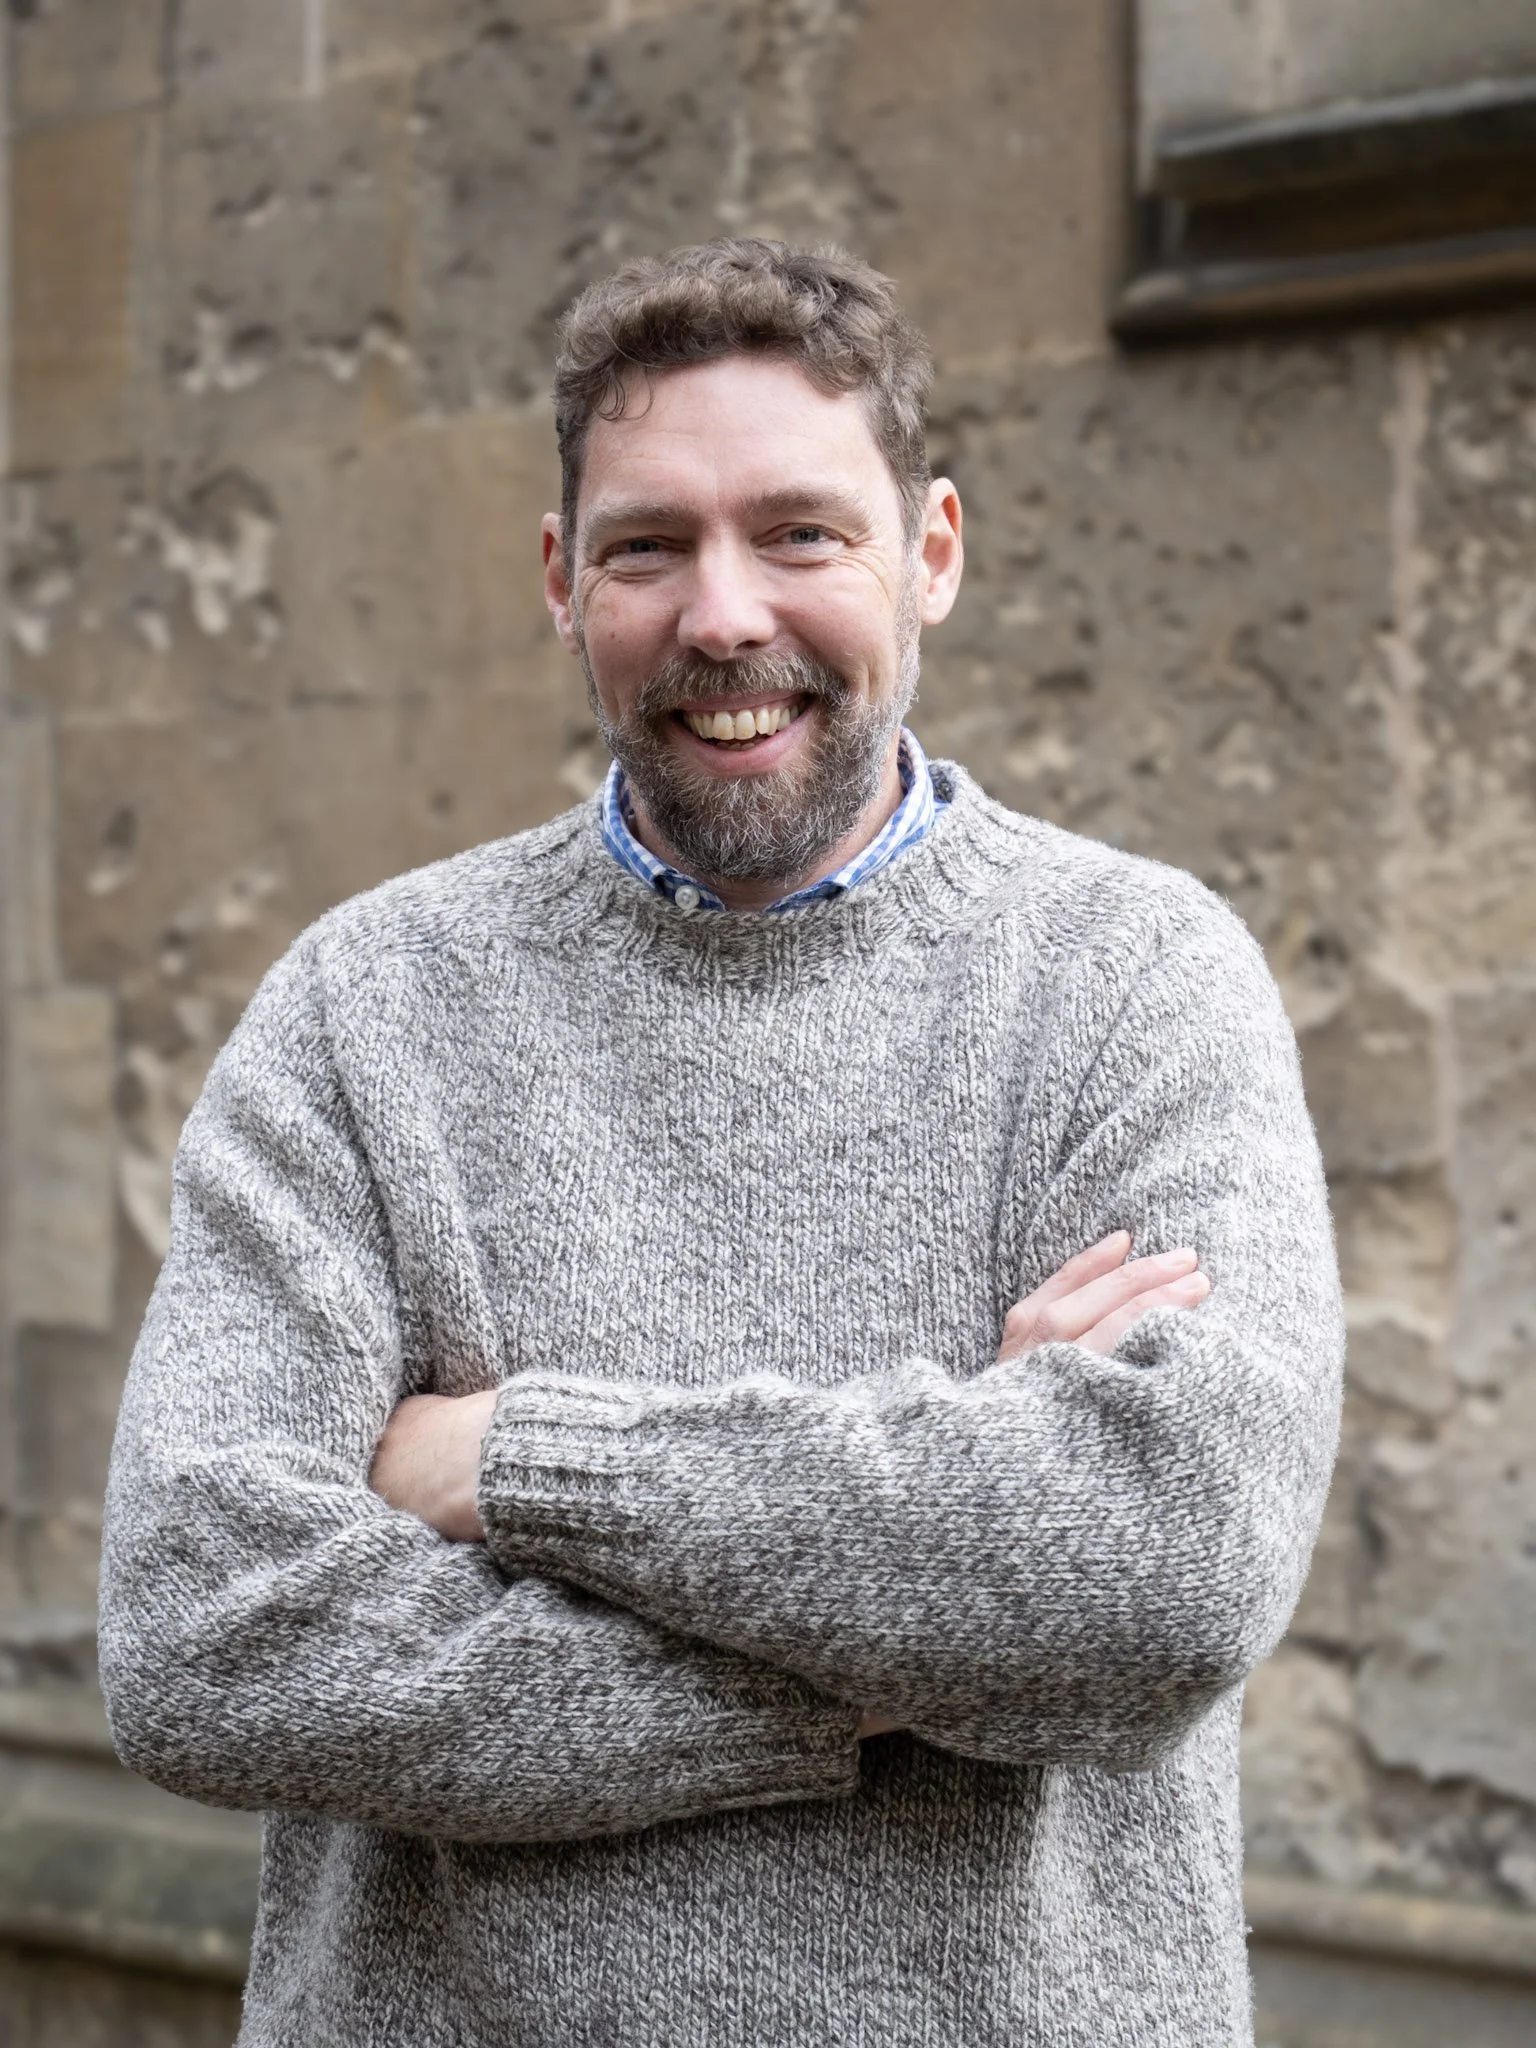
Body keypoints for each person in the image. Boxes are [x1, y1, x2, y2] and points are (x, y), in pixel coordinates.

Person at [99, 239, 1343, 2047]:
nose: (725, 616)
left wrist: (517, 1461)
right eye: (647, 546)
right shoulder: (365, 1009)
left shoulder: (1136, 980)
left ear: (931, 551)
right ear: (559, 578)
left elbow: (1164, 1566)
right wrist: (891, 1666)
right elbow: (205, 1637)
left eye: (801, 534)